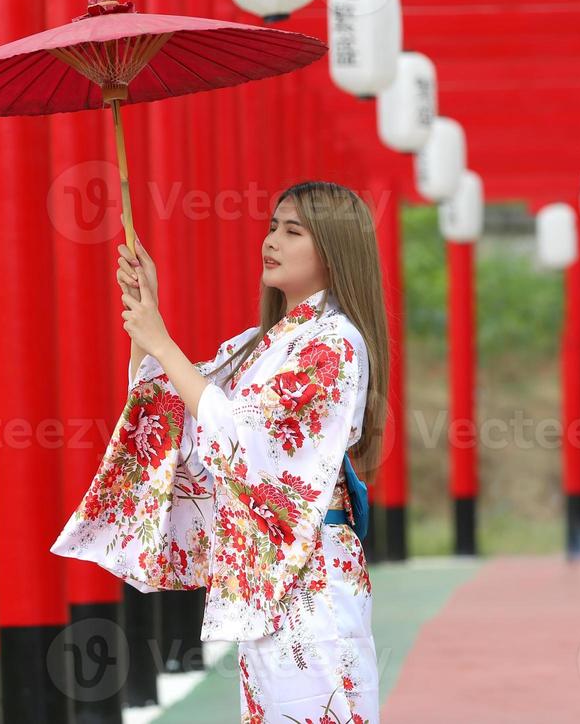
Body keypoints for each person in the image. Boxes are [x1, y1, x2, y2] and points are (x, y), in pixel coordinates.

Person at [51, 180, 390, 723]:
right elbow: (177, 414)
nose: (271, 240)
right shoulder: (261, 344)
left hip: (311, 568)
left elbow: (242, 436)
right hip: (270, 569)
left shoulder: (333, 343)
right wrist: (146, 317)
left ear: (332, 249)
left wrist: (162, 339)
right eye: (272, 226)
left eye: (292, 230)